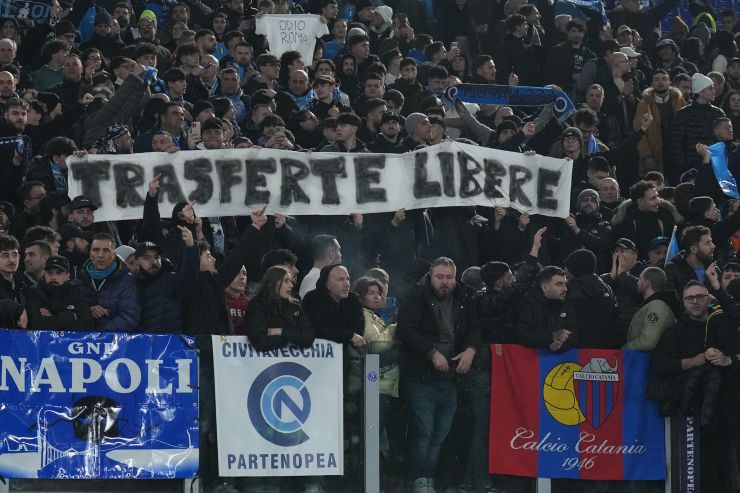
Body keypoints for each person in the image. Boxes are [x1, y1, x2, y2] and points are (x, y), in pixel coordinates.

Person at [396, 257, 481, 493]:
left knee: (440, 433)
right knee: (423, 430)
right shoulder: (415, 297)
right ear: (430, 277)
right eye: (440, 277)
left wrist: (471, 350)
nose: (445, 282)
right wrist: (431, 352)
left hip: (451, 377)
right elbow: (405, 330)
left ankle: (428, 479)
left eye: (449, 277)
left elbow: (475, 328)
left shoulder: (466, 296)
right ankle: (420, 480)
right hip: (421, 377)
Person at [74, 232, 140, 331]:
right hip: (83, 342)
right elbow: (70, 310)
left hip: (113, 343)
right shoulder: (79, 279)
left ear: (113, 255)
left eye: (106, 250)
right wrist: (88, 310)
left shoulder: (127, 280)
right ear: (90, 254)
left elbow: (130, 316)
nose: (100, 255)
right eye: (96, 250)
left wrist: (100, 334)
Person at [245, 265, 315, 351]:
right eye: (286, 281)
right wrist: (293, 338)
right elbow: (260, 341)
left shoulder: (295, 305)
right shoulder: (257, 305)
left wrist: (281, 332)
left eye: (290, 281)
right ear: (272, 283)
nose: (291, 285)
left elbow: (309, 338)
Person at [517, 265, 578, 351]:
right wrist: (550, 337)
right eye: (559, 284)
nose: (565, 289)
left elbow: (573, 334)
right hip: (529, 359)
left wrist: (559, 346)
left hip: (558, 360)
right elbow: (522, 335)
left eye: (565, 284)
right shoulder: (527, 303)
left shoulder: (567, 304)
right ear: (544, 287)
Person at [26, 255, 94, 330]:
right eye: (49, 273)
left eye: (58, 273)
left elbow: (87, 323)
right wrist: (71, 316)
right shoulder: (35, 292)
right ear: (44, 274)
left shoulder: (76, 292)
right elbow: (35, 323)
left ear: (67, 276)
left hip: (71, 341)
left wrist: (51, 318)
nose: (53, 277)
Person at [623, 267, 680, 350]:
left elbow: (648, 341)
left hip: (648, 360)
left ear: (647, 283)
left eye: (640, 279)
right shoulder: (653, 304)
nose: (637, 282)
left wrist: (624, 349)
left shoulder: (657, 306)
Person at [665, 225, 716, 292]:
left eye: (711, 241)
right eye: (707, 243)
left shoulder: (714, 269)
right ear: (694, 249)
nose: (713, 246)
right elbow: (671, 299)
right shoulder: (672, 269)